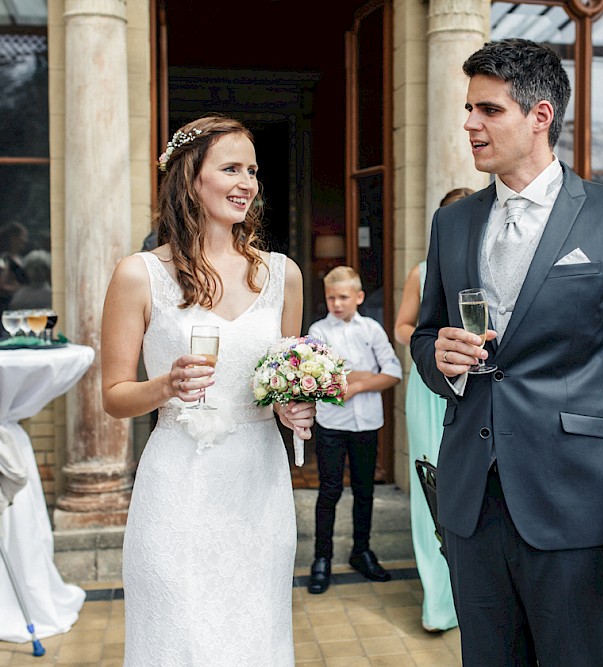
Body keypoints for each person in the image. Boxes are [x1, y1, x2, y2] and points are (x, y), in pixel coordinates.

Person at [410, 39, 603, 665]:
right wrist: (438, 355)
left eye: (489, 110)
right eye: (468, 110)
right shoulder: (453, 223)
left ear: (540, 116)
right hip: (472, 504)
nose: (470, 124)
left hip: (576, 504)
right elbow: (426, 336)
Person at [101, 115, 316, 665]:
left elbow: (285, 376)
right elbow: (114, 394)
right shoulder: (139, 275)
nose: (247, 182)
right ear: (190, 178)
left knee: (254, 632)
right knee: (179, 635)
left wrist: (295, 404)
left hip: (257, 486)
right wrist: (165, 385)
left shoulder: (282, 275)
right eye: (231, 169)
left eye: (253, 171)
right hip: (180, 480)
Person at [393, 187, 471, 633]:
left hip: (478, 389)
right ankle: (439, 604)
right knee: (433, 490)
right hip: (430, 389)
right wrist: (435, 345)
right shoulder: (423, 271)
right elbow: (404, 326)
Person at [306, 265, 402, 594]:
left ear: (358, 297)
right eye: (331, 297)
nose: (336, 303)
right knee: (329, 491)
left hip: (367, 423)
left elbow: (393, 372)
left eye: (343, 297)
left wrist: (357, 383)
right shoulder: (319, 331)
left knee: (365, 491)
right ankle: (322, 558)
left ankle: (361, 551)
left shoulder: (372, 329)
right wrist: (361, 375)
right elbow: (323, 379)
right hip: (332, 424)